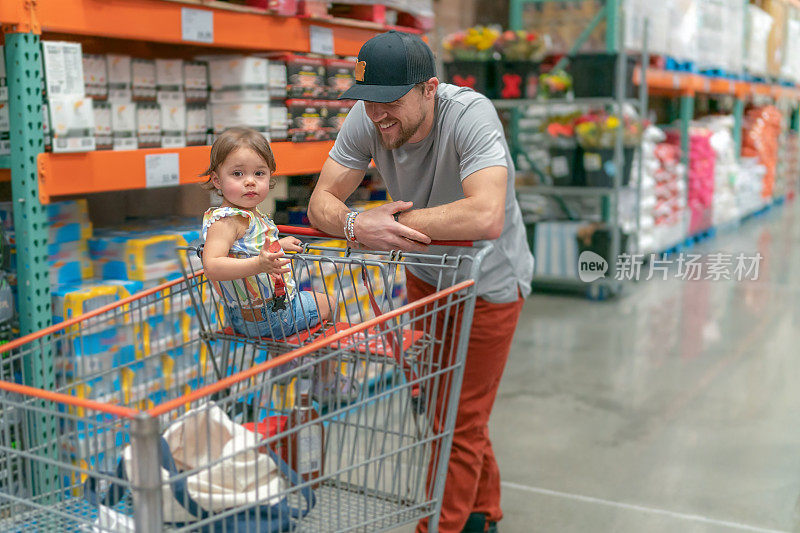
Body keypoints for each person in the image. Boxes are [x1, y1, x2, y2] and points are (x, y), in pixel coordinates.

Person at [307, 31, 534, 533]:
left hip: (489, 283)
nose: (376, 113)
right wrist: (354, 224)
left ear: (430, 88)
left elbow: (487, 215)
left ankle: (440, 526)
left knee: (457, 421)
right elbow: (320, 201)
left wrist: (390, 227)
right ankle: (483, 512)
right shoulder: (367, 116)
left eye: (390, 101)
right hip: (425, 278)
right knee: (437, 401)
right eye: (367, 101)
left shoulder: (471, 115)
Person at [201, 127, 355, 401]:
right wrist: (259, 265)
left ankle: (284, 359)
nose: (250, 182)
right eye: (238, 174)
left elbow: (246, 250)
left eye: (259, 173)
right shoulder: (227, 221)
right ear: (216, 180)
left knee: (312, 304)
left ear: (270, 177)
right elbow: (212, 265)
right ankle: (327, 379)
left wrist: (277, 246)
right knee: (328, 303)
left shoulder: (248, 216)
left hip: (247, 316)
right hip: (271, 317)